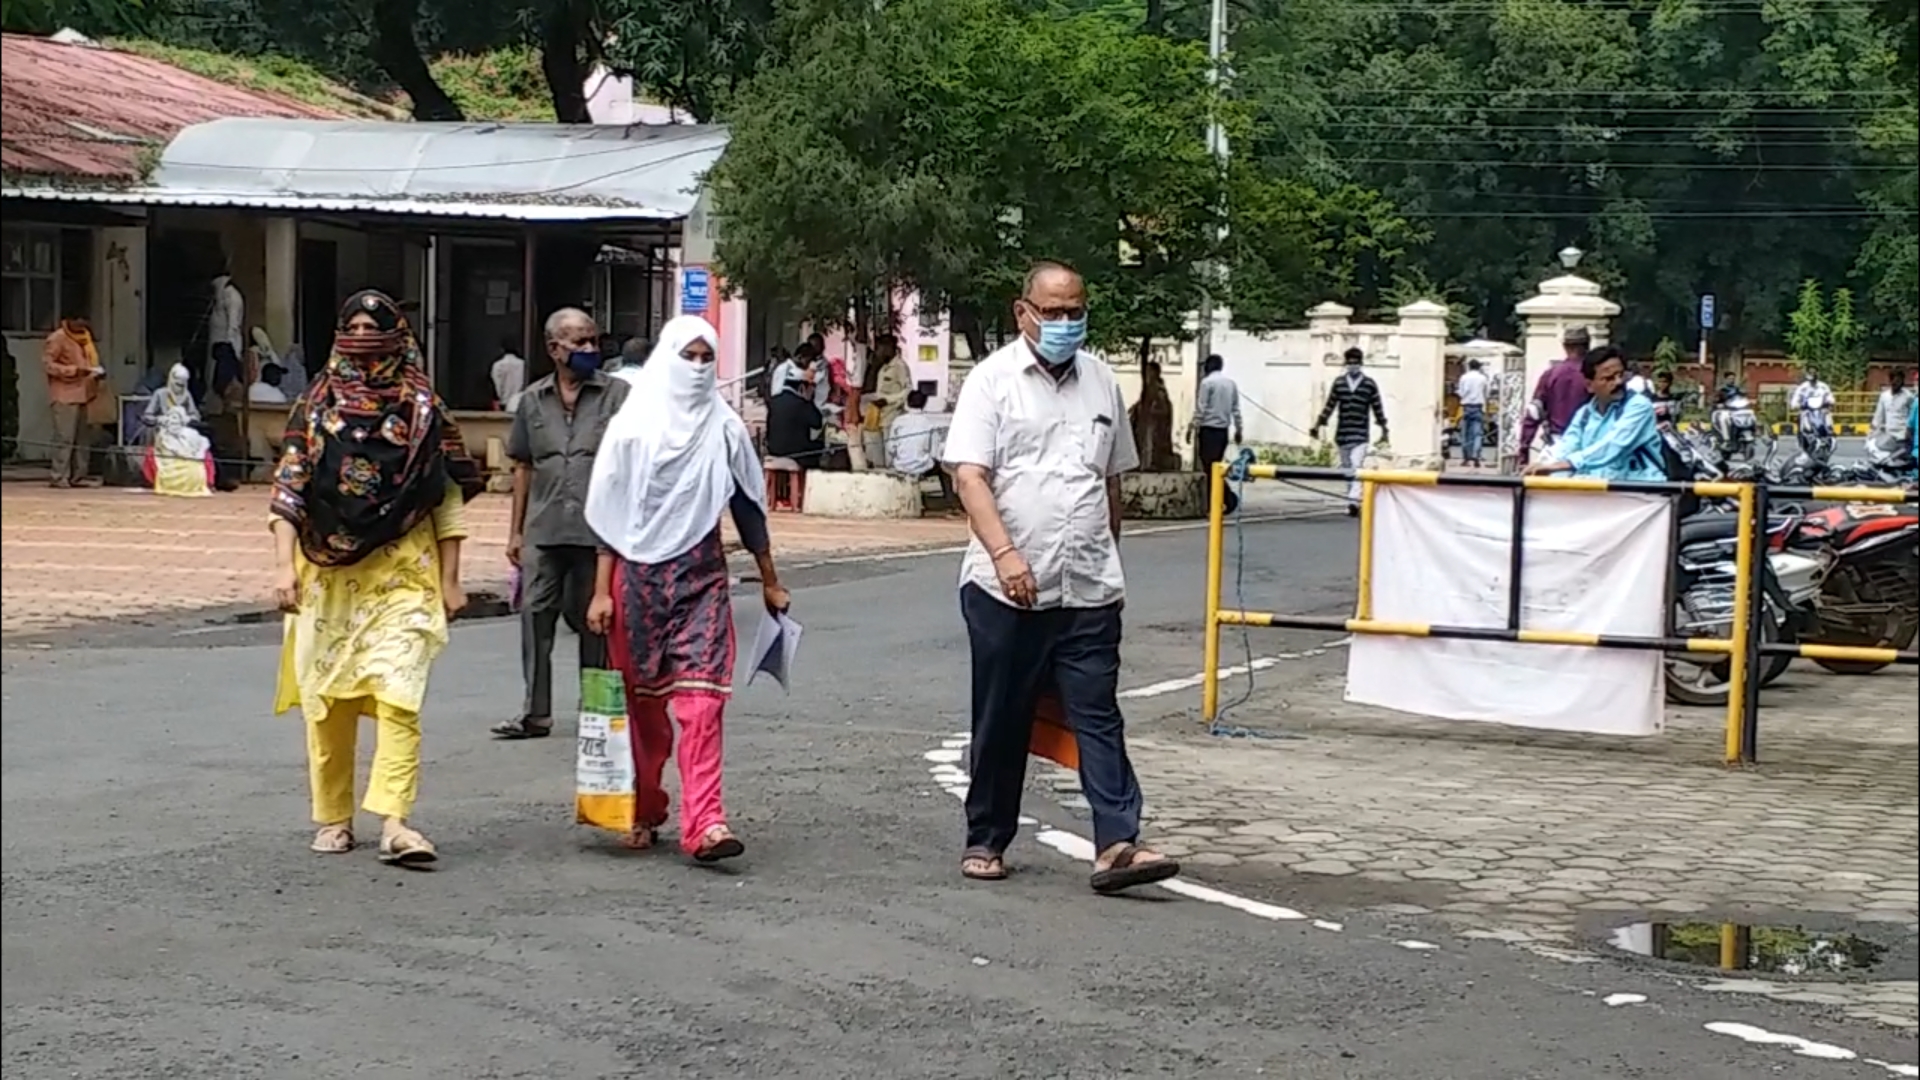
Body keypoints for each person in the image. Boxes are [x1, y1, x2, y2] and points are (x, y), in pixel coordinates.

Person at [942, 261, 1180, 894]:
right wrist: (1006, 556)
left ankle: (1118, 842)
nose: (1066, 323)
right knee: (1003, 716)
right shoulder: (992, 383)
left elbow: (1111, 482)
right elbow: (969, 477)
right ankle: (986, 837)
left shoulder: (1102, 382)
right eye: (1053, 312)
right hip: (1006, 587)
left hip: (1088, 587)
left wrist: (1111, 556)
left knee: (1097, 713)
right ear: (1023, 313)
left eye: (1076, 311)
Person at [269, 289, 480, 867]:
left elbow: (448, 498)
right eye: (353, 325)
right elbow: (288, 489)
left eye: (374, 326)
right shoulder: (314, 407)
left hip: (405, 576)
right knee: (329, 705)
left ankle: (395, 821)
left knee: (399, 695)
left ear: (397, 334)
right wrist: (283, 567)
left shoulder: (422, 409)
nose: (363, 336)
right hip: (327, 579)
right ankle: (334, 817)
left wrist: (452, 579)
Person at [583, 314, 788, 863]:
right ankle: (643, 806)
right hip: (637, 581)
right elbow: (611, 513)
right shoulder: (633, 429)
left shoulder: (723, 429)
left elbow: (747, 504)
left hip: (700, 580)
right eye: (688, 357)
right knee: (644, 706)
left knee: (701, 704)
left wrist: (770, 579)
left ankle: (707, 824)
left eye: (707, 359)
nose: (697, 369)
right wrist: (602, 591)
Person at [496, 308, 630, 741]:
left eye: (593, 341)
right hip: (544, 528)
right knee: (535, 616)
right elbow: (523, 466)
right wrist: (516, 531)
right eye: (579, 343)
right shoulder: (532, 401)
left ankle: (595, 708)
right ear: (554, 349)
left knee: (593, 619)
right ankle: (535, 712)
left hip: (598, 533)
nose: (590, 350)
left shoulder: (618, 396)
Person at [1524, 346, 1664, 483]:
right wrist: (1543, 466)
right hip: (1602, 492)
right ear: (1590, 385)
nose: (1618, 382)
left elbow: (1613, 445)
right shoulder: (1585, 414)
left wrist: (1563, 464)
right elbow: (1567, 446)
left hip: (1641, 492)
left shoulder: (1639, 406)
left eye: (1621, 375)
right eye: (1609, 378)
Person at [1311, 347, 1390, 516]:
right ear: (1346, 363)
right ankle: (1351, 501)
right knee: (1347, 470)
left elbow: (1377, 408)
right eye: (1350, 362)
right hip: (1342, 434)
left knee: (1356, 466)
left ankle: (1354, 500)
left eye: (1355, 362)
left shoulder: (1369, 384)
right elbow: (1330, 405)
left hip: (1360, 434)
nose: (1352, 366)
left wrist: (1384, 428)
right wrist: (1318, 424)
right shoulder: (1339, 383)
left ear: (1360, 363)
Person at [42, 313, 105, 488]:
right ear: (69, 319)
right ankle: (58, 476)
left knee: (83, 439)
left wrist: (95, 373)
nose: (82, 323)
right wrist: (73, 371)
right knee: (64, 438)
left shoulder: (85, 337)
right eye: (79, 320)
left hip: (86, 393)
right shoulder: (57, 338)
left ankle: (78, 476)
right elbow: (48, 365)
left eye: (85, 320)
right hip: (65, 394)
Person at [1517, 326, 1593, 465]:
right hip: (1589, 444)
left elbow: (1534, 413)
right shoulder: (1596, 376)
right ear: (1588, 344)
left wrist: (1524, 449)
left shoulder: (1551, 374)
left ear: (1565, 346)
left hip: (1556, 444)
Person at [143, 363, 215, 498]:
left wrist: (187, 419)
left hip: (184, 433)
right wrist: (160, 419)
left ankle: (199, 480)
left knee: (201, 445)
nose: (179, 387)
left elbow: (196, 415)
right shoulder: (160, 394)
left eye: (182, 384)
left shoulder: (186, 395)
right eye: (177, 383)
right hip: (165, 432)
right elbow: (147, 416)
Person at [1191, 354, 1243, 513]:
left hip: (1208, 430)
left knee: (1210, 469)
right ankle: (1219, 501)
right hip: (1223, 432)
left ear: (1208, 366)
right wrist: (1239, 429)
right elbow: (1236, 409)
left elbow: (1201, 408)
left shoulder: (1207, 383)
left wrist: (1192, 426)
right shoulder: (1230, 384)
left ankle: (1227, 499)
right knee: (1216, 466)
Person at [888, 388, 953, 503]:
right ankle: (951, 504)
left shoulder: (898, 421)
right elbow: (934, 452)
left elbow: (891, 447)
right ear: (924, 404)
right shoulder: (928, 423)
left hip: (901, 466)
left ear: (907, 402)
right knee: (945, 472)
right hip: (922, 466)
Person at [862, 333, 914, 466]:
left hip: (892, 417)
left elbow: (907, 390)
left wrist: (888, 400)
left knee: (889, 454)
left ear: (888, 348)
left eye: (880, 349)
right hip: (879, 416)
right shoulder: (883, 367)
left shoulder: (900, 366)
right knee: (876, 454)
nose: (878, 352)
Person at [1130, 359, 1180, 472]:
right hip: (1148, 425)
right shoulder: (1149, 389)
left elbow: (1163, 408)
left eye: (1149, 371)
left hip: (1155, 426)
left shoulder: (1158, 390)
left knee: (1152, 445)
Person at [1455, 358, 1491, 468]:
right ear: (1479, 367)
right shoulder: (1483, 378)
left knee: (1465, 433)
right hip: (1478, 407)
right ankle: (1476, 456)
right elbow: (1487, 394)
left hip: (1466, 407)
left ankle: (1466, 458)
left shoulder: (1464, 377)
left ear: (1469, 366)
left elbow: (1461, 393)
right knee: (1477, 434)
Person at [1871, 369, 1914, 442]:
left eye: (1899, 382)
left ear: (1902, 382)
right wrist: (1873, 431)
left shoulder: (1908, 396)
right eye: (1894, 382)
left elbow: (1913, 415)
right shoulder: (1884, 396)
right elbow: (1879, 415)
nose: (1896, 384)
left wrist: (1910, 431)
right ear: (1890, 381)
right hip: (1888, 435)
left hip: (1903, 435)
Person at [491, 334, 527, 413]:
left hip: (503, 403)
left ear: (502, 349)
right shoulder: (523, 364)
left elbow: (496, 385)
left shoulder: (498, 365)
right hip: (519, 402)